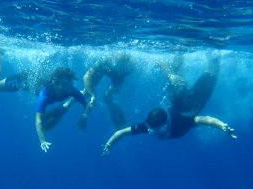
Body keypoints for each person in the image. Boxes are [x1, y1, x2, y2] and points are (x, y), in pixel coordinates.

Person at [102, 53, 236, 156]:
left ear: (165, 125)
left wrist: (222, 126)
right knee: (177, 75)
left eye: (156, 130)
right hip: (175, 96)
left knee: (212, 69)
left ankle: (214, 46)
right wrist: (109, 144)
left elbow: (204, 120)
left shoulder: (181, 122)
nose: (152, 133)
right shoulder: (148, 126)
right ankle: (178, 51)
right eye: (150, 129)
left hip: (192, 102)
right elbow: (121, 132)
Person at [73, 52, 134, 131]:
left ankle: (120, 123)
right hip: (113, 70)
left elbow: (123, 74)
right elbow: (86, 76)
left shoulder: (128, 63)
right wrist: (93, 95)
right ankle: (66, 107)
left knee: (107, 97)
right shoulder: (105, 59)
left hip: (121, 74)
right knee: (89, 92)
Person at [35, 67, 90, 152]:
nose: (60, 87)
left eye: (64, 84)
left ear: (70, 83)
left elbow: (87, 104)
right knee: (20, 83)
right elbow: (38, 120)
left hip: (59, 101)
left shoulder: (71, 90)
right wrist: (42, 141)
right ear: (52, 81)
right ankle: (6, 81)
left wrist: (85, 116)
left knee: (58, 114)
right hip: (34, 87)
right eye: (56, 83)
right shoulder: (44, 95)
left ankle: (72, 101)